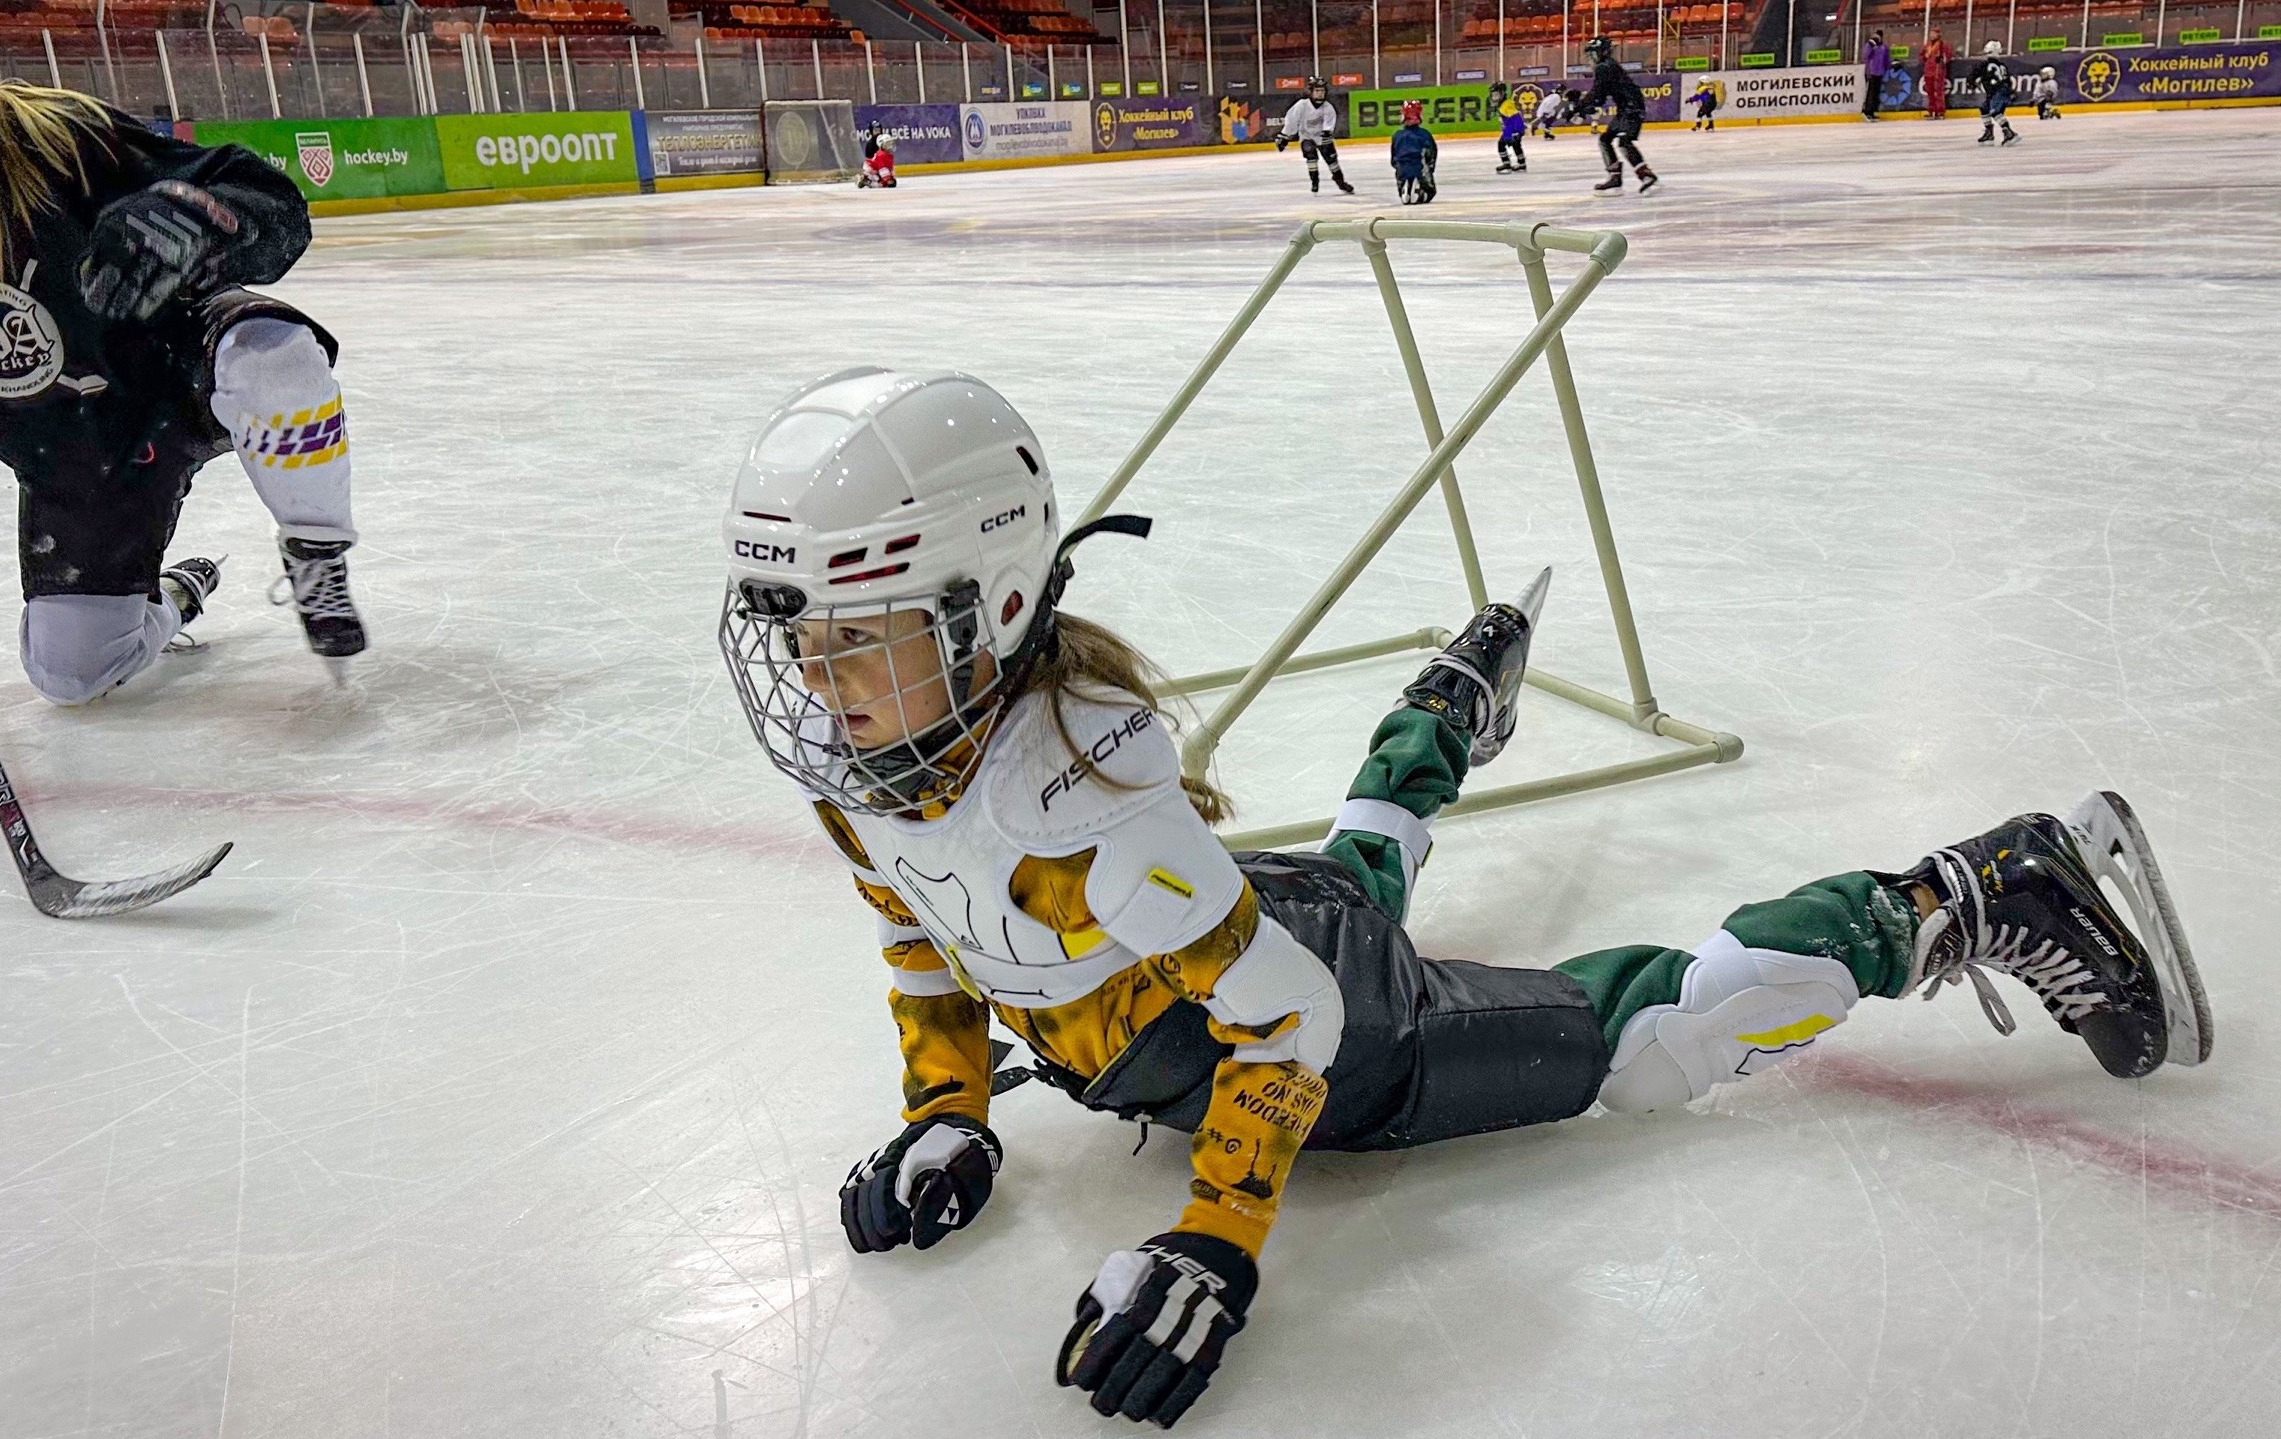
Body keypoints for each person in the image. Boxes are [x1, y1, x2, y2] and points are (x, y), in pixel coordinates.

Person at [718, 369, 2212, 1431]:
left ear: (983, 610)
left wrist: (1219, 1238)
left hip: (1339, 1038)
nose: (817, 684)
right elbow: (923, 927)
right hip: (1224, 936)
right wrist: (948, 1105)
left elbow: (1297, 1026)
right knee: (1340, 885)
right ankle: (1451, 696)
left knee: (1645, 1045)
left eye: (856, 636)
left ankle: (1972, 891)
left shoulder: (1097, 823)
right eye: (805, 639)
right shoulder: (889, 766)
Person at [0, 0, 368, 703]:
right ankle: (177, 595)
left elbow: (271, 205)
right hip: (79, 456)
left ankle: (316, 550)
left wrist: (191, 216)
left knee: (274, 355)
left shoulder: (63, 136)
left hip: (176, 372)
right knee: (71, 674)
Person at [1585, 37, 1657, 193]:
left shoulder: (1605, 67)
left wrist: (1582, 107)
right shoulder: (1608, 66)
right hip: (1627, 108)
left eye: (1593, 53)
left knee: (1623, 141)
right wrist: (1587, 105)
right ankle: (1616, 177)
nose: (1591, 58)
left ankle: (1644, 175)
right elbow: (1599, 95)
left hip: (1631, 108)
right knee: (1606, 139)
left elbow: (1598, 94)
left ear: (1602, 52)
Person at [1273, 79, 1355, 194]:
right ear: (1310, 92)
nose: (1320, 93)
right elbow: (1292, 121)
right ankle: (1314, 181)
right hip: (1307, 137)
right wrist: (1285, 136)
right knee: (1311, 157)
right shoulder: (1302, 105)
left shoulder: (1328, 107)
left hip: (1322, 137)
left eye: (1322, 91)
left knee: (1332, 162)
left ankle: (1340, 182)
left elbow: (1329, 123)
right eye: (1317, 91)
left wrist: (1327, 131)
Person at [1390, 99, 1437, 204]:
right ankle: (1420, 190)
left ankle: (1405, 186)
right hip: (1420, 169)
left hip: (1402, 171)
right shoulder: (1425, 135)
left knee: (1402, 173)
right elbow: (1432, 156)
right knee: (1431, 192)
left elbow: (1393, 159)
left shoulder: (1397, 135)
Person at [1978, 40, 2021, 145]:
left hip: (1997, 91)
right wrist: (2011, 92)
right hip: (1998, 91)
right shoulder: (2002, 66)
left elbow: (1982, 77)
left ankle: (2009, 133)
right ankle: (1989, 133)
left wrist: (1971, 82)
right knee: (1985, 108)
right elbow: (2008, 80)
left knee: (1995, 111)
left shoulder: (1986, 66)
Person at [1491, 83, 1529, 173]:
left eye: (1496, 95)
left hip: (1512, 130)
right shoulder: (1503, 104)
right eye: (1493, 95)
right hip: (1510, 129)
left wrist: (1516, 131)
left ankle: (1507, 164)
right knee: (1516, 146)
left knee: (1501, 144)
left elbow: (1516, 117)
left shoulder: (1506, 104)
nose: (1494, 97)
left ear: (1502, 94)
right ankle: (1522, 164)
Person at [1923, 30, 1952, 119]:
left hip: (1938, 71)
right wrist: (1925, 58)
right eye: (1931, 34)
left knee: (1939, 92)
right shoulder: (1927, 45)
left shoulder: (1943, 45)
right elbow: (1922, 56)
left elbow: (1948, 56)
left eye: (1934, 34)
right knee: (1930, 92)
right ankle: (1931, 110)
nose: (1932, 35)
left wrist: (1942, 59)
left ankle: (1940, 111)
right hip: (1928, 71)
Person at [1861, 30, 1891, 120]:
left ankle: (1872, 111)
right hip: (1871, 72)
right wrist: (1871, 46)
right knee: (1870, 92)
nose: (1876, 37)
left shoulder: (1884, 47)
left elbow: (1886, 59)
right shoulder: (1870, 45)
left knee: (1876, 94)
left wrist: (1888, 68)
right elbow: (1865, 55)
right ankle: (1867, 111)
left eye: (1878, 36)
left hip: (1880, 73)